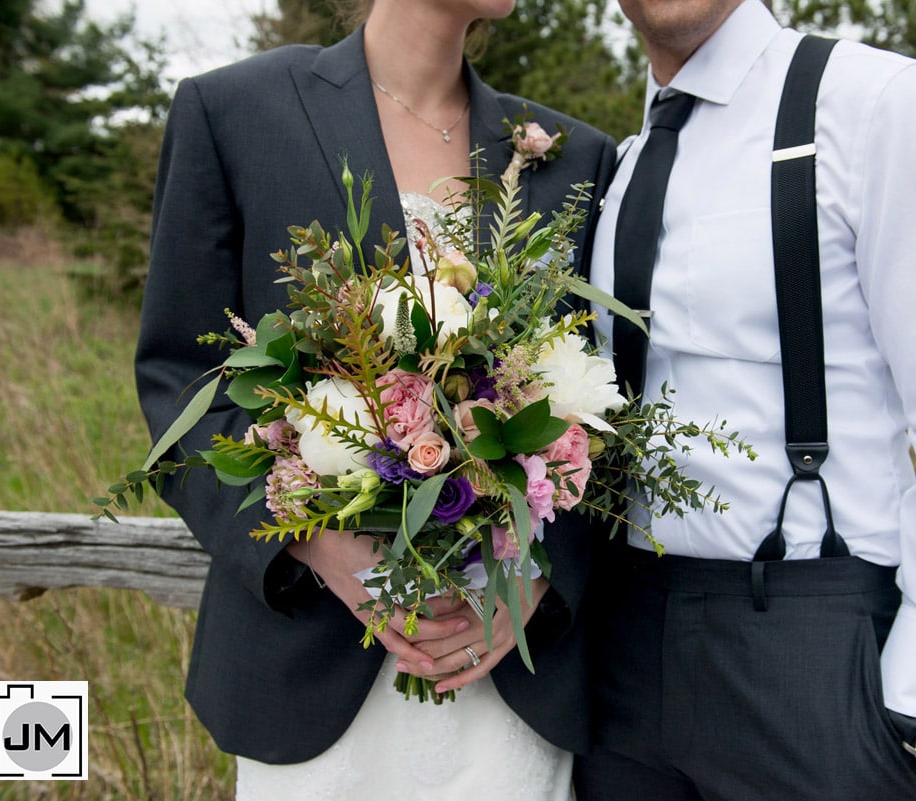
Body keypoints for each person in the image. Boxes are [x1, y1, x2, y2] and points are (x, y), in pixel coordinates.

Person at [134, 1, 615, 798]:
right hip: (310, 664)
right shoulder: (235, 111)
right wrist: (314, 544)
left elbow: (604, 411)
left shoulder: (570, 158)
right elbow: (177, 385)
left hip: (505, 675)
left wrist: (536, 579)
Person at [577, 1, 916, 799]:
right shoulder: (623, 159)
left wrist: (908, 714)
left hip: (807, 653)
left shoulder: (884, 107)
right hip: (622, 658)